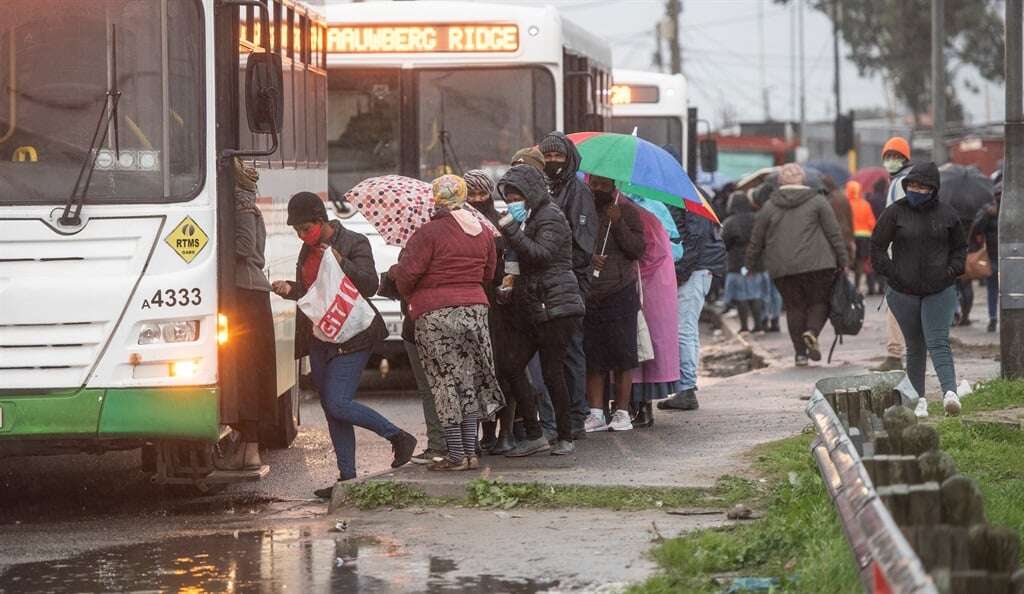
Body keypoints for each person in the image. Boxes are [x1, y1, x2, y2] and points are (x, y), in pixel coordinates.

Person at [272, 192, 417, 498]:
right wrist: (290, 290)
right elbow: (315, 292)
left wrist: (340, 260)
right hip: (320, 337)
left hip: (353, 334)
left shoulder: (353, 242)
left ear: (321, 221)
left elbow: (368, 284)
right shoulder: (306, 249)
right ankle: (347, 479)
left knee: (338, 402)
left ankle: (399, 437)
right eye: (297, 230)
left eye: (306, 228)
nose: (302, 235)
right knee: (332, 409)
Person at [388, 175, 504, 471]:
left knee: (443, 383)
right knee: (468, 381)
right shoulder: (482, 231)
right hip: (475, 311)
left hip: (436, 315)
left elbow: (407, 278)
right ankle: (470, 452)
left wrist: (396, 272)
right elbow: (489, 273)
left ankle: (454, 454)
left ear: (436, 199)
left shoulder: (428, 233)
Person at [495, 164, 585, 456]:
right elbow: (520, 257)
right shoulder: (530, 218)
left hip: (556, 306)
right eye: (507, 198)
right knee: (511, 364)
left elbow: (541, 255)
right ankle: (535, 433)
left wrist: (511, 230)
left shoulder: (551, 217)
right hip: (536, 305)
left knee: (552, 371)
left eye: (515, 196)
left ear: (530, 193)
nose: (511, 203)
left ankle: (564, 435)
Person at [870, 162, 967, 417]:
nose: (916, 190)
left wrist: (951, 271)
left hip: (940, 290)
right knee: (915, 347)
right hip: (903, 293)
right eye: (912, 185)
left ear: (933, 189)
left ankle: (950, 394)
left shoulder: (948, 215)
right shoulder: (894, 213)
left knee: (938, 341)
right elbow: (877, 246)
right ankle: (918, 401)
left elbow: (960, 249)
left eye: (922, 186)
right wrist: (892, 274)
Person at [746, 163, 849, 366]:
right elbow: (834, 233)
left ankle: (800, 355)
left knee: (794, 307)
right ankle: (812, 332)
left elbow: (757, 239)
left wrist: (749, 264)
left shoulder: (769, 206)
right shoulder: (818, 201)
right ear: (803, 180)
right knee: (820, 302)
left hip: (782, 268)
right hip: (819, 264)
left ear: (780, 182)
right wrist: (843, 259)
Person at [538, 132, 598, 436]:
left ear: (568, 157)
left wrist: (557, 258)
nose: (552, 162)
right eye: (546, 157)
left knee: (572, 346)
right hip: (550, 279)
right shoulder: (548, 188)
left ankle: (577, 412)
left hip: (572, 278)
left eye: (557, 156)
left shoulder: (578, 191)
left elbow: (583, 240)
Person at [216, 159, 274, 471]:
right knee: (247, 370)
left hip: (245, 293)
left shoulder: (240, 207)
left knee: (245, 370)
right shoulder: (248, 204)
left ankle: (250, 451)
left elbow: (243, 246)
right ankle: (247, 448)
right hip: (250, 294)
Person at [582, 176, 646, 433]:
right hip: (591, 292)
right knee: (593, 357)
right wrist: (589, 260)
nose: (597, 189)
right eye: (593, 184)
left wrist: (618, 222)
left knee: (623, 355)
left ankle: (622, 412)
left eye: (602, 185)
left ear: (613, 186)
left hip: (620, 292)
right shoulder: (583, 211)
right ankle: (596, 413)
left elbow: (637, 250)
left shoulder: (627, 211)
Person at [659, 190, 726, 411]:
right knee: (687, 329)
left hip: (695, 268)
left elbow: (695, 238)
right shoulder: (686, 193)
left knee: (683, 329)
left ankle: (686, 389)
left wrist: (680, 272)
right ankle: (686, 386)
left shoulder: (683, 194)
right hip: (700, 266)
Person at [626, 195, 682, 428]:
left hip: (645, 288)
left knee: (640, 345)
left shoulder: (638, 214)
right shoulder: (654, 212)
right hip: (652, 287)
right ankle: (636, 406)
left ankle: (638, 406)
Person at [872, 136, 914, 372]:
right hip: (910, 251)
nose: (891, 161)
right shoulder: (907, 180)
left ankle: (894, 354)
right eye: (888, 157)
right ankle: (899, 352)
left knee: (894, 302)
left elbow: (895, 219)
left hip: (899, 253)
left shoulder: (900, 183)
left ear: (905, 158)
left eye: (895, 156)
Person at [721, 191, 764, 333]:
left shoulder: (729, 222)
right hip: (756, 262)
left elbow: (724, 244)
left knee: (741, 296)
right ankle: (759, 325)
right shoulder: (757, 218)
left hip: (736, 263)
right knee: (756, 293)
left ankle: (744, 326)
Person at [970, 182, 1000, 333]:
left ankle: (993, 317)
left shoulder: (988, 211)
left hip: (994, 256)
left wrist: (987, 213)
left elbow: (976, 229)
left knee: (993, 289)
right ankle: (994, 317)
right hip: (999, 257)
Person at [847, 180, 878, 293]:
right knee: (861, 261)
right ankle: (857, 285)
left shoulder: (847, 204)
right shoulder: (865, 204)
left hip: (850, 236)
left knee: (850, 260)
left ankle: (848, 286)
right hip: (864, 236)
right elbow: (871, 222)